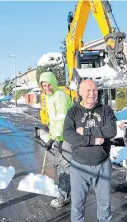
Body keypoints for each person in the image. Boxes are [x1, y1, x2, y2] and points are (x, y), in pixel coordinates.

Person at [63, 79, 118, 222]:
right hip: (79, 165)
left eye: (94, 90)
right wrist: (94, 140)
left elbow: (111, 130)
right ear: (80, 92)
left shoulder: (105, 110)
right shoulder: (73, 112)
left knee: (104, 199)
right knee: (78, 200)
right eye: (87, 90)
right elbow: (68, 135)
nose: (92, 93)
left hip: (102, 163)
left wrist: (85, 131)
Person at [39, 71, 73, 208]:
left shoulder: (60, 96)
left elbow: (62, 121)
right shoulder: (49, 97)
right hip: (58, 137)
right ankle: (66, 193)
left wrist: (52, 139)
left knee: (65, 166)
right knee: (61, 166)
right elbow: (54, 121)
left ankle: (65, 197)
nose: (47, 88)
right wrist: (51, 136)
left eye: (49, 85)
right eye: (43, 85)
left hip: (65, 137)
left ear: (53, 83)